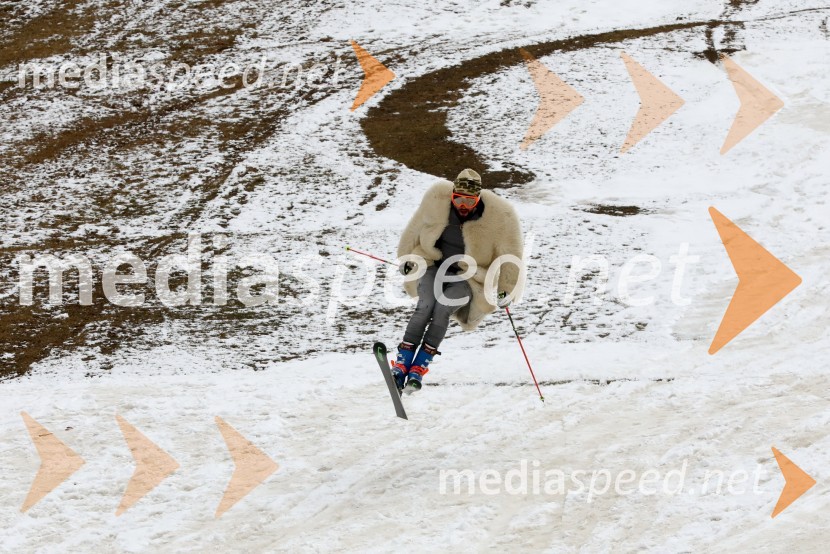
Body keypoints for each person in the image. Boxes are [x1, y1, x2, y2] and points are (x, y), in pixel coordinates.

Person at [391, 169, 525, 393]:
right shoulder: (436, 200)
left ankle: (418, 369)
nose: (463, 205)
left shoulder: (501, 216)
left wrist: (506, 290)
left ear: (478, 199)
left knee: (442, 308)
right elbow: (414, 229)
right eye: (458, 198)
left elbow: (512, 256)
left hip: (468, 277)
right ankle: (402, 363)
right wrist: (406, 258)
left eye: (469, 200)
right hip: (433, 266)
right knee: (424, 307)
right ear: (452, 196)